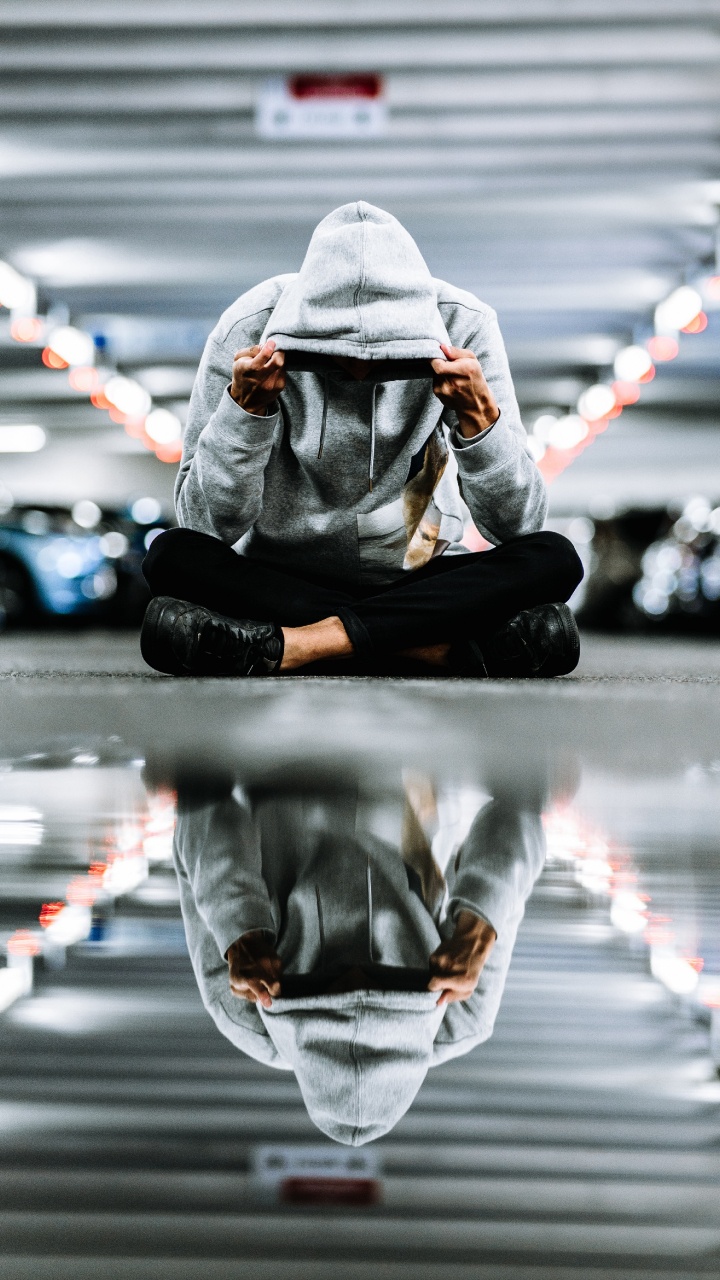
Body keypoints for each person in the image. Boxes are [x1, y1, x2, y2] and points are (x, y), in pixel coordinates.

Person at [141, 201, 583, 678]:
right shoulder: (249, 329)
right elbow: (203, 526)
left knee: (553, 558)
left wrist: (479, 419)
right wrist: (244, 412)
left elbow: (518, 526)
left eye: (387, 354)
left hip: (416, 579)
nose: (359, 367)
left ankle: (301, 644)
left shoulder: (464, 328)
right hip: (289, 578)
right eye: (333, 351)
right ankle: (436, 650)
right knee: (171, 555)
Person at [173, 769, 547, 1145]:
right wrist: (479, 923)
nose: (356, 964)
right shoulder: (464, 1015)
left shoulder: (244, 1014)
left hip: (283, 771)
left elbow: (199, 806)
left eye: (326, 977)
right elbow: (520, 811)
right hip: (411, 772)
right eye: (387, 977)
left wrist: (238, 924)